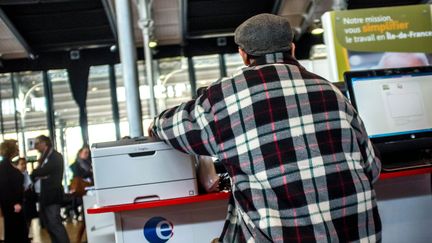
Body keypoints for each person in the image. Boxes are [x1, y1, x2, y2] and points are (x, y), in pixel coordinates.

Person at [148, 14, 382, 242]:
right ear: (291, 49)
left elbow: (169, 127)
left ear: (243, 55)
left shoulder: (225, 97)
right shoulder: (332, 91)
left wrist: (154, 125)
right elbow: (372, 167)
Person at [31, 135, 70, 243]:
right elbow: (40, 173)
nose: (35, 147)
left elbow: (41, 171)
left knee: (54, 223)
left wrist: (38, 173)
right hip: (45, 195)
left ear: (44, 143)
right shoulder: (44, 157)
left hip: (52, 195)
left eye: (37, 144)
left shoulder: (55, 156)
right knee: (49, 224)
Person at [0, 140, 30, 243]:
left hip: (8, 205)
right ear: (12, 151)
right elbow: (6, 187)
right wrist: (15, 203)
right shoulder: (8, 168)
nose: (18, 150)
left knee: (11, 231)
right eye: (16, 148)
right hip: (14, 206)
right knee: (18, 232)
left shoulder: (4, 166)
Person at [69, 145, 93, 243]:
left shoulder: (89, 163)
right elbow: (78, 176)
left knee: (88, 218)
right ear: (80, 153)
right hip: (81, 193)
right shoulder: (75, 165)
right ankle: (79, 239)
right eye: (84, 152)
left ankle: (88, 238)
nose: (86, 154)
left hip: (89, 191)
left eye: (88, 152)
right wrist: (89, 172)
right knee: (85, 218)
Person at [15, 157, 38, 234]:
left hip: (29, 201)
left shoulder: (27, 175)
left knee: (29, 221)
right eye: (22, 164)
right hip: (23, 202)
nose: (24, 166)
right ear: (17, 165)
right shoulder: (17, 176)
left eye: (25, 164)